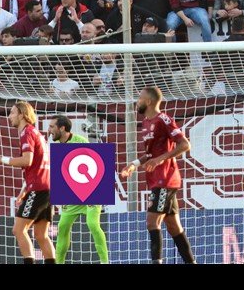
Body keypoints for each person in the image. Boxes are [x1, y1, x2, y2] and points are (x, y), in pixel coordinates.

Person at [119, 87, 195, 264]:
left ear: (149, 101)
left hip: (165, 179)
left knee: (152, 222)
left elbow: (184, 145)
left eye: (140, 98)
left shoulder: (163, 119)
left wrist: (161, 159)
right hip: (156, 179)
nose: (137, 102)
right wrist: (134, 164)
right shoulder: (146, 123)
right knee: (173, 226)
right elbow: (151, 154)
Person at [0, 101, 54, 263]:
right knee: (41, 235)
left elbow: (27, 161)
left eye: (12, 113)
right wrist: (24, 190)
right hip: (46, 187)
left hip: (38, 188)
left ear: (22, 114)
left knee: (18, 229)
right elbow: (35, 165)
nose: (9, 117)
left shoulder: (26, 133)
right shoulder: (36, 133)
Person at [47, 114, 109, 264]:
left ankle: (105, 262)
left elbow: (93, 166)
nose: (49, 130)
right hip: (72, 195)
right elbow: (62, 175)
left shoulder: (80, 141)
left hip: (90, 191)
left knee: (92, 224)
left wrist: (91, 194)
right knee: (62, 226)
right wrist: (63, 196)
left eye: (52, 127)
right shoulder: (55, 147)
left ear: (62, 128)